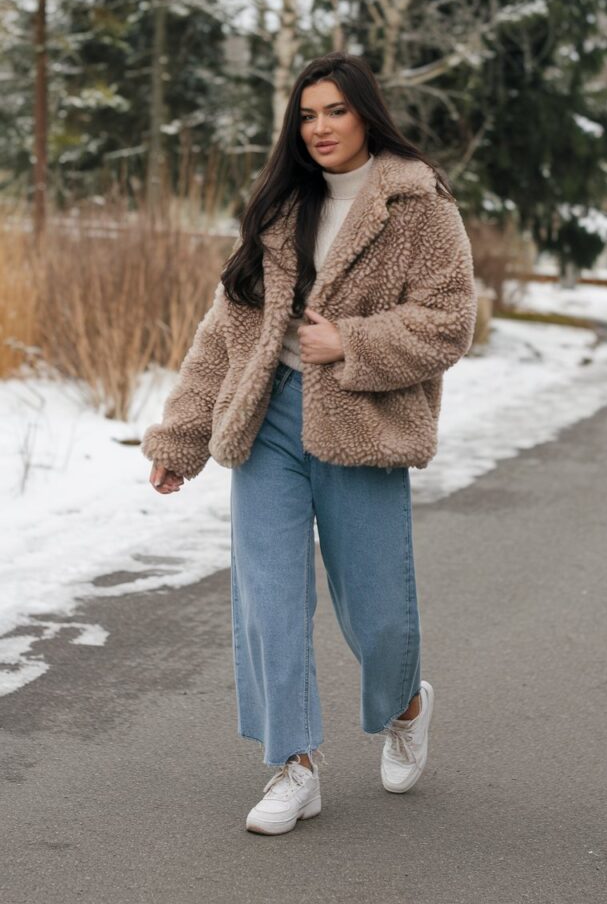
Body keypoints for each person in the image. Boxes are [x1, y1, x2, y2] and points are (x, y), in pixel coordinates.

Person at [141, 51, 477, 836]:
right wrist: (181, 438)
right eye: (306, 114)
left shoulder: (418, 205)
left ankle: (407, 701)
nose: (320, 127)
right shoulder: (278, 205)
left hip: (362, 420)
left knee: (379, 611)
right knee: (269, 600)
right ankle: (293, 766)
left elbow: (449, 321)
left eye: (334, 111)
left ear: (366, 114)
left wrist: (350, 343)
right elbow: (225, 334)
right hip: (269, 422)